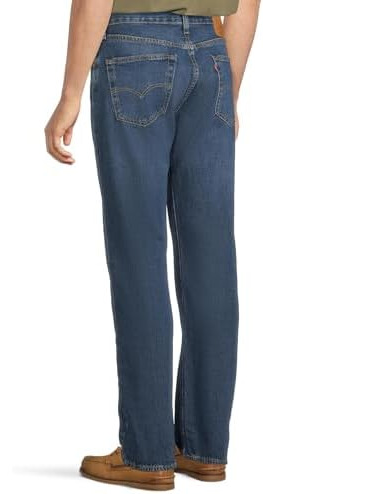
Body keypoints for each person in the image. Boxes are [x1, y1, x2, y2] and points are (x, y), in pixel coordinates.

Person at [44, 0, 261, 489]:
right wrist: (226, 92)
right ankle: (204, 448)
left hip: (132, 50)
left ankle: (147, 454)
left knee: (138, 258)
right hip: (212, 53)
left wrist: (70, 94)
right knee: (211, 263)